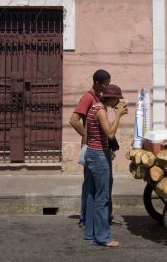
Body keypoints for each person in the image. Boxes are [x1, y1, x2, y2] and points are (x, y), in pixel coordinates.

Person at [70, 69, 122, 227]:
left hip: (102, 148)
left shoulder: (100, 99)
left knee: (106, 183)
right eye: (106, 84)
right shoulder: (87, 98)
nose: (108, 87)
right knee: (90, 185)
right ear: (97, 83)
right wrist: (88, 137)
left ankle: (106, 217)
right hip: (94, 150)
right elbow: (74, 120)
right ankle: (85, 218)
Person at [84, 84, 128, 247]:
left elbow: (90, 133)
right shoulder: (101, 111)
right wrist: (118, 116)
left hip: (91, 153)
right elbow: (110, 133)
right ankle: (103, 237)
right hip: (98, 156)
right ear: (110, 98)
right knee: (102, 196)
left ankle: (90, 232)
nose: (118, 102)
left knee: (91, 195)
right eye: (117, 99)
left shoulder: (94, 107)